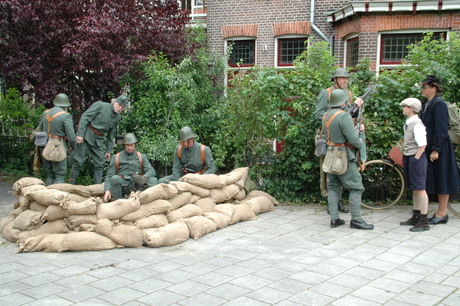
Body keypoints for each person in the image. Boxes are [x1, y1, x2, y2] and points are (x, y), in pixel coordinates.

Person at [322, 89, 373, 230]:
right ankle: (356, 220)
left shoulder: (326, 115)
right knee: (356, 187)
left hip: (330, 155)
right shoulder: (343, 116)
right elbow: (353, 140)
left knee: (333, 187)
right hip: (344, 156)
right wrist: (360, 136)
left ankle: (334, 219)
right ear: (343, 102)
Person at [316, 68, 364, 213]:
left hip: (345, 137)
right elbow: (318, 114)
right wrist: (338, 117)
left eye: (346, 78)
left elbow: (350, 114)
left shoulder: (348, 94)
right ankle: (332, 205)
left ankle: (337, 204)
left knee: (342, 170)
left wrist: (357, 107)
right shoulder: (327, 93)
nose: (345, 81)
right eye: (342, 78)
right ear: (335, 80)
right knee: (331, 171)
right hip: (329, 136)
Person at [419, 75, 460, 224]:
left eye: (425, 87)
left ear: (433, 88)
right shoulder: (427, 103)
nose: (422, 90)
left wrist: (436, 149)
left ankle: (442, 213)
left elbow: (441, 128)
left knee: (442, 178)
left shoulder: (439, 103)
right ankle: (438, 212)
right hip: (429, 146)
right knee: (435, 178)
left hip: (440, 147)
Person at [69, 95, 128, 184]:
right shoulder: (100, 105)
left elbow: (111, 135)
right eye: (119, 105)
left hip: (99, 140)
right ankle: (71, 185)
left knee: (100, 164)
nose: (120, 108)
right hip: (86, 136)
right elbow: (85, 117)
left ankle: (97, 188)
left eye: (122, 107)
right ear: (115, 102)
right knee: (78, 161)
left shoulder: (117, 117)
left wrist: (108, 150)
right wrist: (80, 134)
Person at [399, 98, 429, 231]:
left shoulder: (417, 124)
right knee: (415, 188)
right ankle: (416, 215)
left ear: (411, 109)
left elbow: (422, 144)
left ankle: (424, 220)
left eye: (405, 106)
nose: (403, 108)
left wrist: (416, 159)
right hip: (410, 157)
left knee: (420, 188)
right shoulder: (409, 122)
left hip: (415, 158)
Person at [103, 133, 158, 202]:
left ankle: (145, 200)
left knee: (153, 180)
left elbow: (151, 171)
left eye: (131, 145)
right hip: (124, 184)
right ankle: (118, 202)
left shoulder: (141, 156)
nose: (129, 147)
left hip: (138, 184)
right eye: (127, 145)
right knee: (114, 179)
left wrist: (143, 178)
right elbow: (109, 176)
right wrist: (107, 190)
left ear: (135, 145)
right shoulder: (116, 157)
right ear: (124, 145)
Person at [36, 93, 77, 185]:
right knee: (60, 175)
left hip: (44, 145)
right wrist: (74, 147)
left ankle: (47, 196)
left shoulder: (45, 113)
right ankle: (57, 197)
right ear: (66, 105)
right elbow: (71, 136)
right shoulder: (66, 116)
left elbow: (39, 128)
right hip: (57, 146)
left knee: (50, 174)